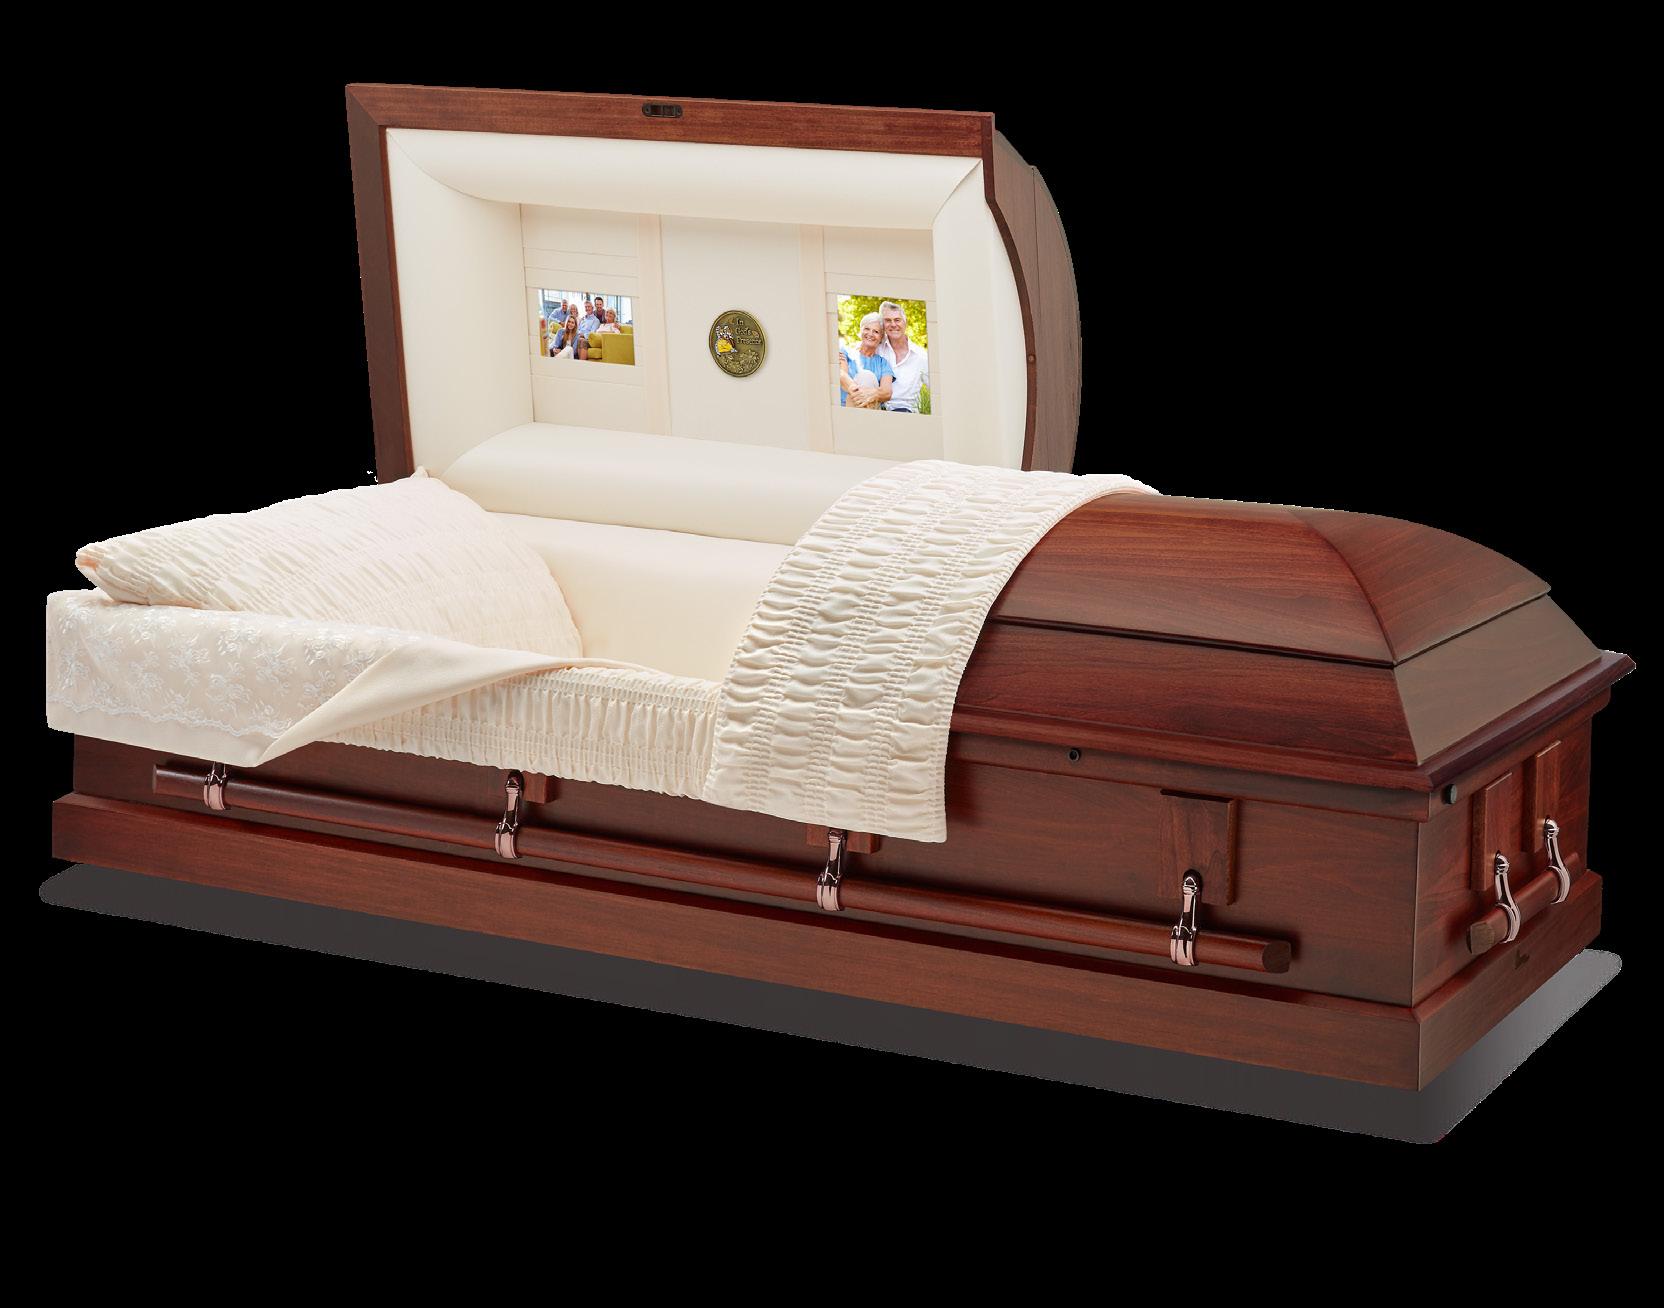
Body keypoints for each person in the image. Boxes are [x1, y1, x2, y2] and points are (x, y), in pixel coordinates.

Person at [877, 300, 928, 413]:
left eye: (897, 320)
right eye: (888, 320)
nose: (893, 324)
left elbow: (939, 389)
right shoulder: (877, 349)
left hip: (906, 412)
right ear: (883, 325)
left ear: (905, 323)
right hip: (878, 409)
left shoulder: (921, 356)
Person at [838, 312, 895, 408]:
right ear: (861, 331)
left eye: (876, 332)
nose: (870, 334)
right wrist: (857, 391)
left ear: (881, 338)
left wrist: (870, 395)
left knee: (866, 376)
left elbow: (887, 392)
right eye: (867, 329)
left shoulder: (883, 363)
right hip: (844, 407)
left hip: (871, 409)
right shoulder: (845, 352)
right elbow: (841, 375)